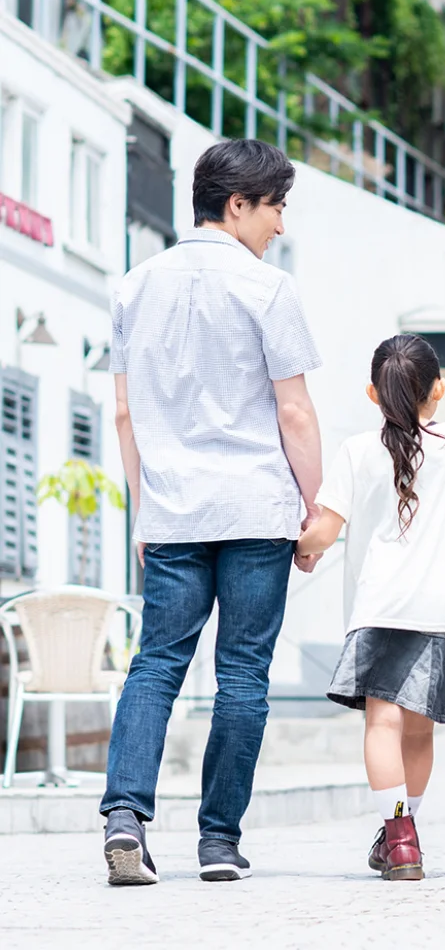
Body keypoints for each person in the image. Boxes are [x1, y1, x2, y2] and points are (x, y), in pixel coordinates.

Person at [100, 139, 323, 886]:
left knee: (157, 663)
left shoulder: (135, 286)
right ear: (238, 204)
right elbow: (294, 412)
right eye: (276, 207)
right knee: (243, 674)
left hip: (171, 511)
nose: (280, 226)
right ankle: (219, 842)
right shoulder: (268, 289)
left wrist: (142, 513)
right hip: (257, 507)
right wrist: (311, 506)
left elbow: (126, 415)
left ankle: (125, 816)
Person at [294, 334, 445, 881]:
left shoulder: (357, 450)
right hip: (440, 607)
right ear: (439, 390)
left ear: (373, 394)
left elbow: (324, 531)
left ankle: (399, 835)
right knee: (420, 730)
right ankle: (402, 836)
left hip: (380, 604)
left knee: (382, 723)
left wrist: (292, 547)